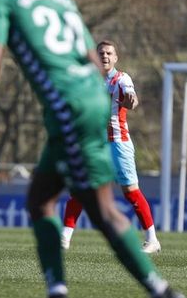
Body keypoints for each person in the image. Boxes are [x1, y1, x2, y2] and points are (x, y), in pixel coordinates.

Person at [0, 0, 185, 298]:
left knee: (102, 209)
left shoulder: (3, 0)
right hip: (90, 101)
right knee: (40, 199)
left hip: (69, 108)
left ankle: (162, 293)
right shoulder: (63, 1)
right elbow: (89, 55)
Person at [61, 40, 161, 253]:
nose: (105, 56)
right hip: (95, 144)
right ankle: (64, 237)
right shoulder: (88, 80)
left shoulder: (121, 79)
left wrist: (130, 101)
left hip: (119, 144)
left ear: (115, 58)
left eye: (109, 53)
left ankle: (152, 239)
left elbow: (131, 98)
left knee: (131, 192)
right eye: (101, 53)